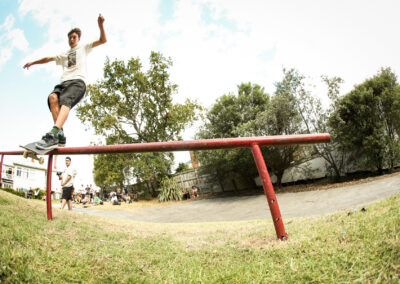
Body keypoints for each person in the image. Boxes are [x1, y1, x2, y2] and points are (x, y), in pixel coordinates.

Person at [23, 14, 107, 150]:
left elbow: (103, 40)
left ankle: (53, 133)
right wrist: (33, 62)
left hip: (78, 82)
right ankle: (60, 136)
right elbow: (48, 58)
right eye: (70, 38)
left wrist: (101, 25)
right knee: (53, 98)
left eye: (74, 37)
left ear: (79, 39)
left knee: (65, 101)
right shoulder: (64, 54)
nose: (71, 40)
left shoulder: (84, 47)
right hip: (64, 83)